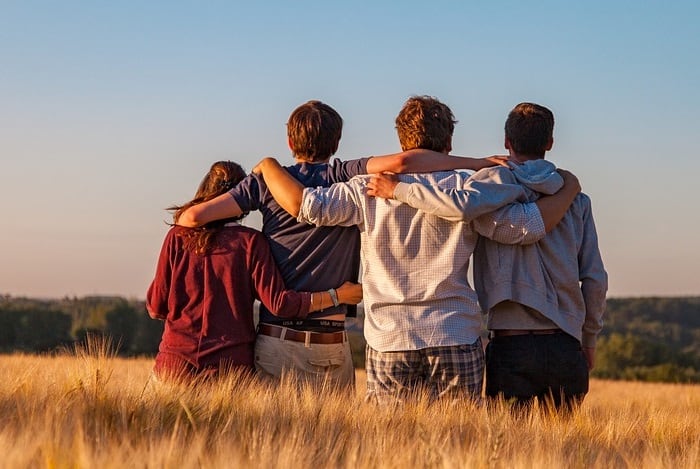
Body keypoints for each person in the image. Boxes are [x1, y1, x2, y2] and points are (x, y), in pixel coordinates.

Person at [253, 96, 581, 404]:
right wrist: (568, 189)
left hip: (389, 337)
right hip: (454, 332)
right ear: (449, 143)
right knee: (459, 448)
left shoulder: (366, 188)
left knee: (390, 446)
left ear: (401, 141)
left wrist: (268, 166)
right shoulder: (468, 188)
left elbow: (306, 206)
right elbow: (524, 228)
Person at [175, 100, 510, 389]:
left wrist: (261, 181)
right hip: (333, 341)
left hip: (278, 338)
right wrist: (477, 163)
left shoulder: (266, 183)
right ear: (336, 142)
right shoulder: (345, 175)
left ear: (290, 141)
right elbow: (404, 163)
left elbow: (191, 219)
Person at [369, 102, 607, 410]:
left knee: (507, 453)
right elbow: (594, 278)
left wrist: (399, 189)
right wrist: (589, 339)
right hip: (566, 344)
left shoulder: (486, 190)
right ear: (549, 143)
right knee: (563, 455)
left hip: (510, 344)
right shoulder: (576, 199)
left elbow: (458, 206)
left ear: (506, 142)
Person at [146, 160, 363, 382]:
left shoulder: (177, 237)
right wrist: (337, 296)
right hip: (229, 371)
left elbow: (156, 307)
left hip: (174, 366)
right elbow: (280, 304)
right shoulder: (250, 242)